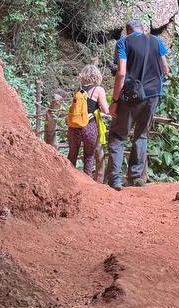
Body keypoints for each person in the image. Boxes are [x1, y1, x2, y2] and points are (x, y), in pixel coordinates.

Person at [107, 18, 170, 190]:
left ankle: (116, 179)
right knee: (141, 135)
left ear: (128, 31)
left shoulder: (124, 42)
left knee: (118, 136)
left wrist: (114, 101)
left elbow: (121, 72)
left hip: (131, 95)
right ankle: (135, 177)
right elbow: (165, 69)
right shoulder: (156, 41)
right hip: (153, 94)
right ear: (143, 29)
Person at [68, 64, 111, 178]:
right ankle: (87, 183)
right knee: (89, 156)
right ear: (96, 76)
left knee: (72, 155)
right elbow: (106, 110)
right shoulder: (98, 90)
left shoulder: (78, 90)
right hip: (89, 127)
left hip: (74, 127)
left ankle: (67, 178)